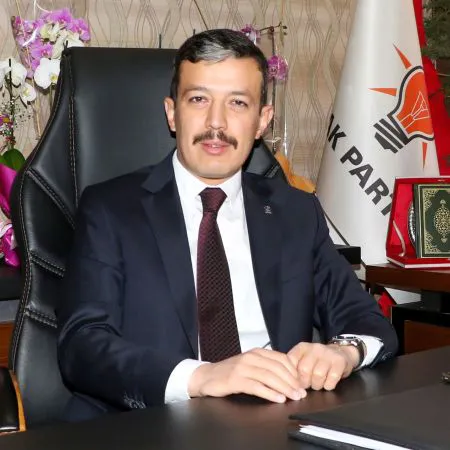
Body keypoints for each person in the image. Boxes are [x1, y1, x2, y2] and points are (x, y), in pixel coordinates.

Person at [57, 28, 398, 421]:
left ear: (262, 121)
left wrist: (344, 352)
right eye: (198, 99)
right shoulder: (110, 210)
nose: (216, 123)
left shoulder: (296, 212)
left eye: (237, 103)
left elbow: (368, 322)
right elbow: (82, 345)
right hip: (154, 424)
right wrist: (201, 377)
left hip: (274, 422)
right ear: (172, 113)